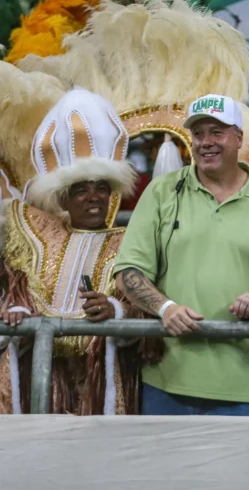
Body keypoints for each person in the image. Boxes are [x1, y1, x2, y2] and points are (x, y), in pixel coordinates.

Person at [113, 94, 249, 416]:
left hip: (244, 382)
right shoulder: (162, 191)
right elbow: (128, 270)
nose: (205, 142)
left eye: (217, 132)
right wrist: (165, 307)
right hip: (165, 378)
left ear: (238, 138)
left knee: (238, 469)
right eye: (198, 134)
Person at [0, 86, 141, 415]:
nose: (93, 197)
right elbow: (17, 290)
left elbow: (147, 315)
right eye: (81, 189)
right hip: (40, 374)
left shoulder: (130, 242)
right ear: (62, 198)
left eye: (102, 187)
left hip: (100, 378)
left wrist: (115, 312)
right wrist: (14, 313)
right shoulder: (36, 235)